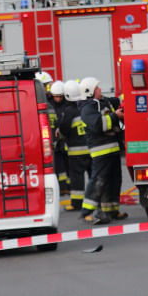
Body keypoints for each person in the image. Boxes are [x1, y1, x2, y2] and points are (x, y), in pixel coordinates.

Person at [79, 76, 126, 224]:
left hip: (113, 149)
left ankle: (111, 210)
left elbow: (118, 101)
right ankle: (87, 212)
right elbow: (98, 125)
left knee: (114, 180)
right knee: (98, 181)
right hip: (101, 151)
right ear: (90, 91)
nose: (100, 89)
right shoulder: (88, 108)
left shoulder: (104, 102)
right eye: (97, 88)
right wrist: (115, 116)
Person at [59, 80, 91, 211]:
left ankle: (77, 204)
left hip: (75, 153)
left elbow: (64, 129)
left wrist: (59, 134)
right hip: (91, 150)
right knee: (94, 177)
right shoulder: (86, 107)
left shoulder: (69, 111)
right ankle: (97, 200)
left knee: (76, 178)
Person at [49, 80, 70, 196]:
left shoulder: (67, 105)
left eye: (60, 96)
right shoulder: (49, 104)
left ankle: (68, 187)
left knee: (68, 166)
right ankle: (62, 188)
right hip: (55, 142)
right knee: (59, 166)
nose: (57, 99)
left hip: (65, 141)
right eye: (56, 96)